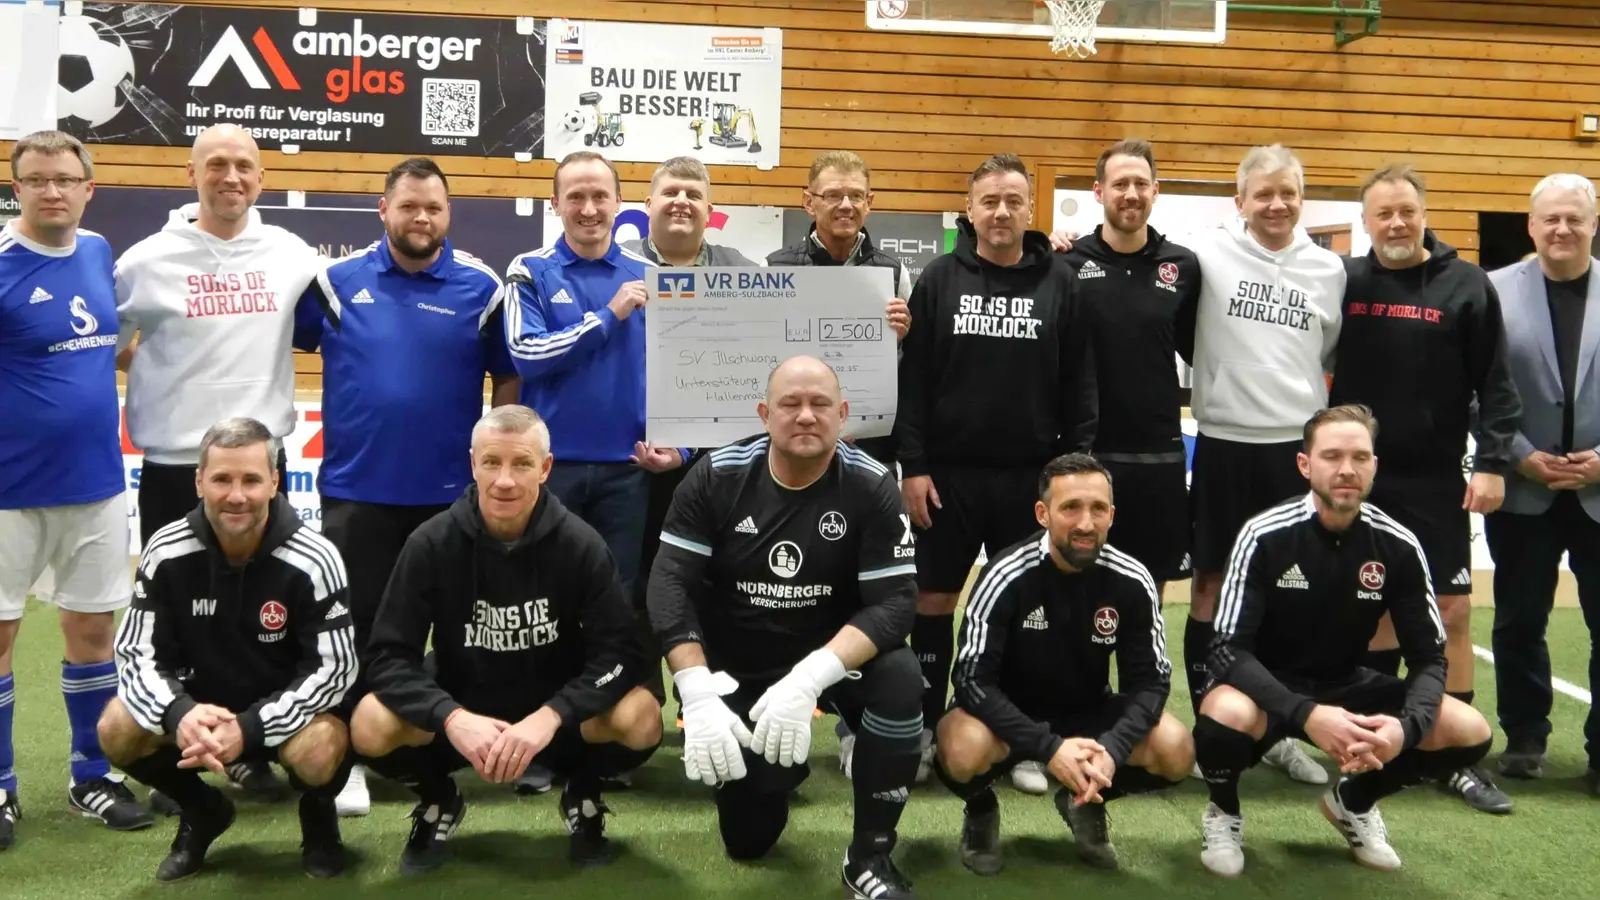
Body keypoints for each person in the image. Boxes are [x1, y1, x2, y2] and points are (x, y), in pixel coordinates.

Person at [648, 356, 924, 900]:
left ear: (842, 415)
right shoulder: (717, 476)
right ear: (763, 414)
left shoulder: (870, 485)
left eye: (820, 404)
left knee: (900, 676)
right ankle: (774, 771)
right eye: (790, 404)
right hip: (741, 664)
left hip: (831, 660)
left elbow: (895, 603)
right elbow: (668, 585)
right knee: (747, 840)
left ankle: (870, 856)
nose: (805, 416)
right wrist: (697, 691)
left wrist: (810, 679)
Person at [293, 157, 520, 815]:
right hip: (356, 492)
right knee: (356, 633)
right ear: (383, 211)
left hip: (449, 498)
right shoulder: (333, 284)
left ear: (448, 215)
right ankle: (353, 760)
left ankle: (449, 750)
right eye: (409, 206)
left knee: (455, 631)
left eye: (434, 208)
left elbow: (507, 379)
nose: (422, 218)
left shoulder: (481, 287)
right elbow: (279, 346)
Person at [351, 405, 661, 874]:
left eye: (521, 464)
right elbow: (388, 658)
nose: (505, 481)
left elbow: (619, 653)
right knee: (370, 722)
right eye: (492, 463)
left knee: (642, 716)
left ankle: (583, 790)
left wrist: (553, 715)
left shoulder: (580, 545)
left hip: (556, 721)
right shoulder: (431, 543)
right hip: (465, 714)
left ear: (546, 468)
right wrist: (451, 718)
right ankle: (439, 799)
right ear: (472, 463)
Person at [1192, 405, 1493, 876]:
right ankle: (1224, 811)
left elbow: (1428, 657)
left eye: (1360, 457)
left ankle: (1352, 802)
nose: (1347, 469)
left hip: (1346, 683)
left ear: (1375, 466)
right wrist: (1307, 715)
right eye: (1332, 456)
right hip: (1268, 689)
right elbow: (1226, 649)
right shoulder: (1264, 535)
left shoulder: (1398, 544)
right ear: (1305, 465)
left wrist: (1405, 729)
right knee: (1223, 713)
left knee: (1467, 729)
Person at [115, 122, 319, 802]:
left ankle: (252, 744)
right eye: (217, 165)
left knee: (264, 616)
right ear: (192, 174)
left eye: (244, 166)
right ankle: (179, 743)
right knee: (173, 619)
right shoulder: (145, 261)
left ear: (260, 178)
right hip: (176, 466)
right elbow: (104, 344)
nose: (231, 178)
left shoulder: (291, 253)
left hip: (262, 469)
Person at [895, 153, 1098, 786]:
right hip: (947, 477)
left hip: (1029, 480)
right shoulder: (937, 279)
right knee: (933, 601)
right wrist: (914, 466)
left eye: (1013, 200)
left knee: (1020, 608)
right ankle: (926, 730)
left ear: (1029, 207)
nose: (1002, 211)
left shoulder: (1061, 282)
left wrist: (1070, 476)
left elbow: (1080, 387)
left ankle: (1025, 740)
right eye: (989, 201)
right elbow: (916, 383)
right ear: (970, 209)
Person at [1329, 163, 1520, 814]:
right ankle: (1372, 745)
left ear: (1424, 211)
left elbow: (1495, 383)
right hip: (1357, 480)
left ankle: (1452, 757)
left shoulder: (1467, 285)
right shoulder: (1346, 281)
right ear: (1366, 221)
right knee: (1374, 614)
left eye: (1406, 210)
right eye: (1383, 213)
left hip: (1436, 479)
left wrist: (1493, 461)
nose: (1397, 223)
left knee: (1454, 613)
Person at [97, 418, 358, 881]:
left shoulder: (315, 556)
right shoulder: (165, 550)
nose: (236, 495)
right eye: (221, 479)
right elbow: (136, 654)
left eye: (251, 479)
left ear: (275, 481)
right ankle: (204, 811)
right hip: (200, 712)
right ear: (199, 481)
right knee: (117, 727)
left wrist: (251, 728)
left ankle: (319, 819)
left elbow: (334, 671)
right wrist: (180, 714)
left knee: (321, 748)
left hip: (284, 716)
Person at [0, 130, 155, 848]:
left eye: (65, 179)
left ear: (89, 188)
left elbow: (111, 346)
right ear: (18, 188)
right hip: (8, 491)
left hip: (95, 485)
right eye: (37, 180)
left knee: (93, 635)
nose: (52, 191)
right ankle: (0, 790)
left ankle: (92, 777)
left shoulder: (98, 254)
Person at [1176, 144, 1345, 785]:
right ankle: (1207, 726)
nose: (1276, 204)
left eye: (1289, 193)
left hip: (1295, 453)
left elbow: (1323, 352)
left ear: (1303, 200)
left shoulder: (1330, 271)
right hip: (1223, 445)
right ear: (1240, 201)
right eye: (1263, 193)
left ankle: (1279, 731)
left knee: (1289, 599)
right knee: (1211, 591)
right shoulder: (1206, 256)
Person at [936, 453, 1192, 875]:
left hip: (1088, 712)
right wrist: (1049, 749)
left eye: (1097, 509)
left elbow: (1150, 684)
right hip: (1008, 716)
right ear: (1043, 513)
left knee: (1175, 748)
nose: (1086, 523)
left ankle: (1086, 803)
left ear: (1112, 514)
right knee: (961, 747)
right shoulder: (1005, 574)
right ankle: (981, 812)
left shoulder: (1133, 579)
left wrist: (1111, 749)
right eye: (1070, 507)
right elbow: (971, 681)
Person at [504, 151, 682, 605]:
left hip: (628, 471)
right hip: (549, 468)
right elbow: (528, 353)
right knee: (542, 593)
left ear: (619, 203)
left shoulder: (652, 277)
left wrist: (680, 448)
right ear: (555, 204)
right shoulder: (529, 270)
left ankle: (611, 679)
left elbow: (681, 375)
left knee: (616, 597)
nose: (588, 209)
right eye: (576, 197)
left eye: (600, 196)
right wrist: (608, 315)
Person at [1485, 173, 1600, 795]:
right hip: (1523, 488)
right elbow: (1474, 391)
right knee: (1519, 618)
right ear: (1531, 225)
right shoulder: (1493, 291)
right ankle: (1525, 736)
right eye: (1550, 219)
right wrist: (1520, 455)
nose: (1562, 230)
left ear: (1592, 224)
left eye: (1574, 220)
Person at [766, 149, 914, 467]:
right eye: (833, 195)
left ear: (869, 203)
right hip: (797, 434)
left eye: (856, 196)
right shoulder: (775, 269)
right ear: (809, 202)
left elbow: (910, 366)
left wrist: (900, 339)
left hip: (872, 442)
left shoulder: (895, 273)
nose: (846, 206)